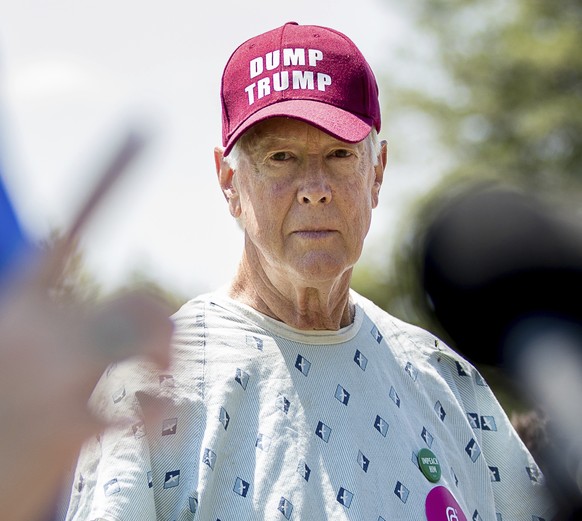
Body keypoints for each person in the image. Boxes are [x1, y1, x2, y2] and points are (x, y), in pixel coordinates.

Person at [63, 22, 557, 520]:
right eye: (282, 158)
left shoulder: (446, 382)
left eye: (340, 155)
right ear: (229, 181)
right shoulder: (154, 385)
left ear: (377, 173)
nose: (314, 187)